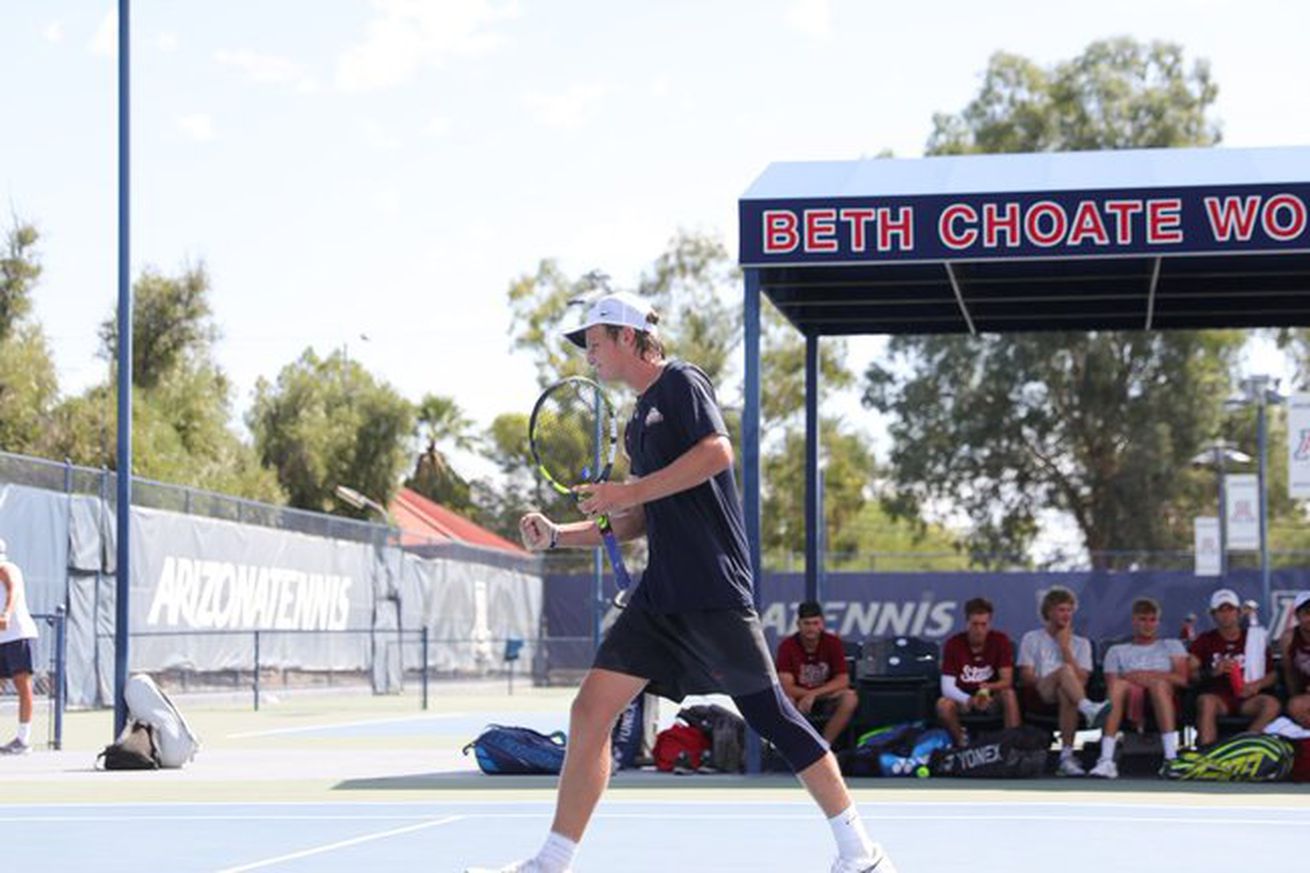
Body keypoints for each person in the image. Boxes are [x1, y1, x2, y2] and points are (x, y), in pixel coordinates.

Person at [467, 291, 896, 873]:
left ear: (626, 336)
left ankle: (861, 853)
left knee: (773, 717)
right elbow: (634, 521)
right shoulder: (637, 425)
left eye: (594, 342)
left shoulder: (682, 383)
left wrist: (631, 490)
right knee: (589, 711)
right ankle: (551, 862)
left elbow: (717, 453)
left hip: (713, 591)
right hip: (658, 600)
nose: (588, 356)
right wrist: (559, 535)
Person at [1090, 597, 1189, 779]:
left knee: (1159, 685)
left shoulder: (1171, 646)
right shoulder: (1116, 651)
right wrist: (1136, 681)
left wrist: (1146, 676)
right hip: (1127, 701)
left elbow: (1182, 679)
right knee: (1119, 686)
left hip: (1163, 698)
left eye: (1152, 620)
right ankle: (1106, 760)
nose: (1148, 624)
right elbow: (1112, 686)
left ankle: (1171, 759)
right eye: (1143, 619)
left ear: (1158, 622)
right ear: (1134, 621)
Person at [1016, 586, 1110, 776]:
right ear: (1048, 612)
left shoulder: (1082, 644)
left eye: (1069, 610)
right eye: (1061, 609)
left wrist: (1065, 647)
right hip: (1041, 690)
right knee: (1065, 672)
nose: (1066, 614)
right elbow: (1026, 675)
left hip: (1070, 693)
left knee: (1066, 692)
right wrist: (1053, 678)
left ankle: (1066, 758)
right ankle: (1088, 708)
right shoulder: (1031, 638)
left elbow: (1083, 679)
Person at [1188, 588, 1280, 746]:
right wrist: (1213, 672)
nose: (1226, 614)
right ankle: (1207, 753)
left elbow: (1273, 674)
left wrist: (1256, 685)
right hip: (1219, 698)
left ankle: (1245, 746)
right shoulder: (1205, 640)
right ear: (1213, 615)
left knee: (1272, 704)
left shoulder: (1254, 638)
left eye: (1230, 609)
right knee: (1206, 701)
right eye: (1220, 610)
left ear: (1238, 612)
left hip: (1248, 697)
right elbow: (1191, 673)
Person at [934, 596, 1020, 747]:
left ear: (989, 623)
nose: (979, 630)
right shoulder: (954, 644)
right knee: (943, 704)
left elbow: (1007, 680)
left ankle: (1012, 745)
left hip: (992, 698)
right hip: (963, 699)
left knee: (1009, 694)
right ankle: (961, 744)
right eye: (975, 624)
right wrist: (969, 699)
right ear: (967, 623)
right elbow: (947, 688)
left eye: (983, 625)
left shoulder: (1000, 640)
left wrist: (988, 688)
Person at [776, 600, 859, 747]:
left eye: (815, 623)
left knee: (850, 698)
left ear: (822, 624)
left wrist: (813, 694)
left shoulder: (832, 642)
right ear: (798, 624)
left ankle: (824, 746)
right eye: (807, 623)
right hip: (798, 700)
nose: (811, 628)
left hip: (826, 698)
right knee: (786, 701)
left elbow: (843, 680)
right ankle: (795, 747)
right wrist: (806, 696)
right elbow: (786, 687)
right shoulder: (787, 646)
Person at [0, 538, 39, 755]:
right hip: (2, 640)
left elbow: (13, 589)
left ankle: (23, 740)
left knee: (22, 685)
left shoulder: (6, 567)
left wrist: (6, 613)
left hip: (19, 635)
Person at [1278, 591, 1310, 728]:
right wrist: (1294, 695)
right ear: (1297, 616)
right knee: (1295, 706)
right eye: (1307, 613)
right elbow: (1289, 671)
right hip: (1305, 694)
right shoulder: (1288, 638)